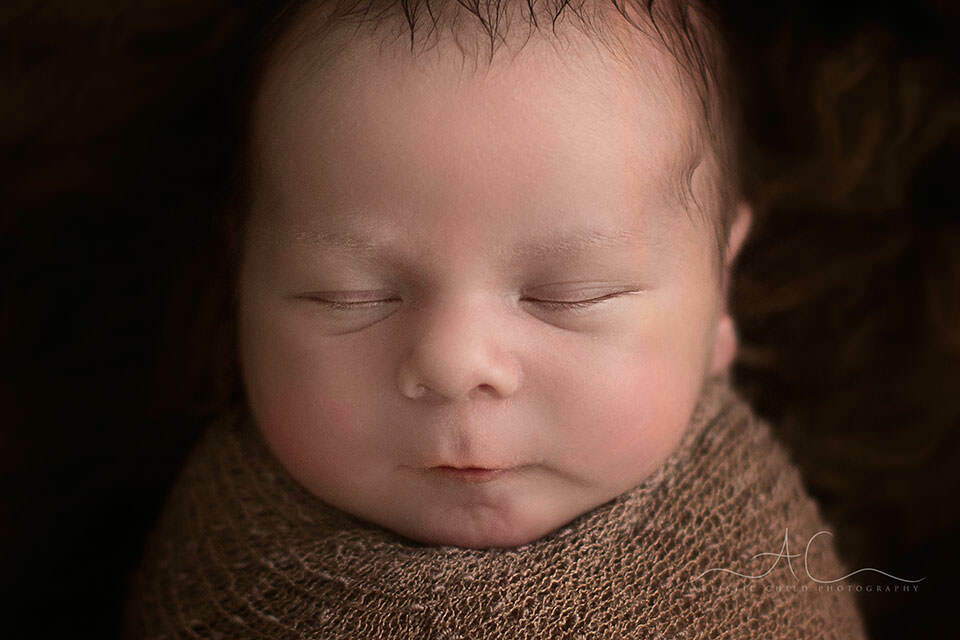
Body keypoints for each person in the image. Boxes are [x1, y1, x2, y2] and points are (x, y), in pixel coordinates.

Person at [124, 1, 868, 637]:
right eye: (350, 295)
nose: (454, 362)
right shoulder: (215, 559)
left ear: (722, 300)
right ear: (240, 285)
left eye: (569, 295)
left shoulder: (755, 573)